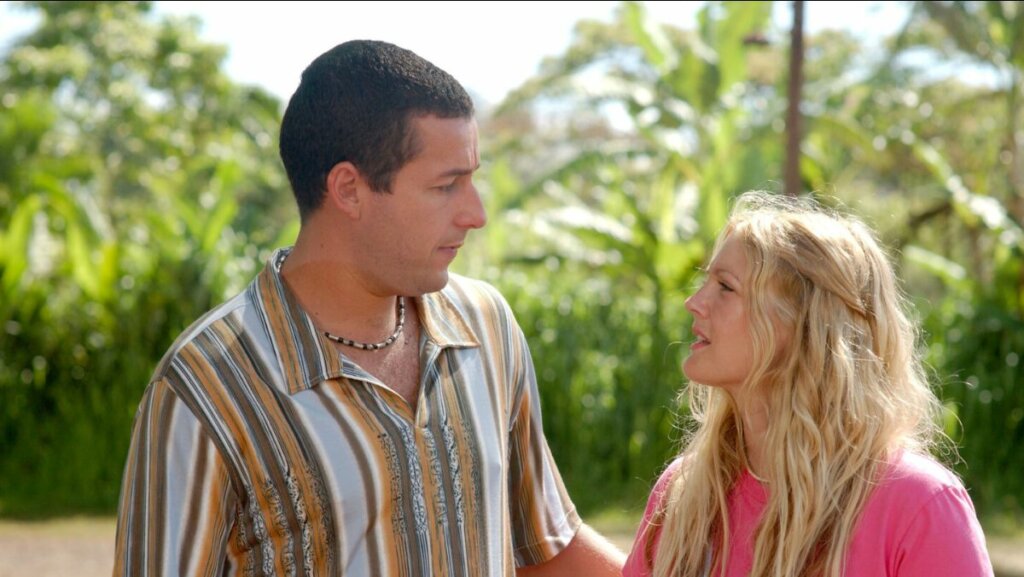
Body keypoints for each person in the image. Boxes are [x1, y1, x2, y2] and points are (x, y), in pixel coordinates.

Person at [113, 39, 625, 576]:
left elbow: (544, 547)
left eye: (472, 179)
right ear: (349, 190)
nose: (476, 214)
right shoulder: (204, 388)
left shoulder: (486, 326)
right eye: (446, 186)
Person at [623, 191, 993, 577]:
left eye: (726, 287)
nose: (694, 302)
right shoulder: (683, 495)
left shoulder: (919, 505)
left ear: (805, 322)